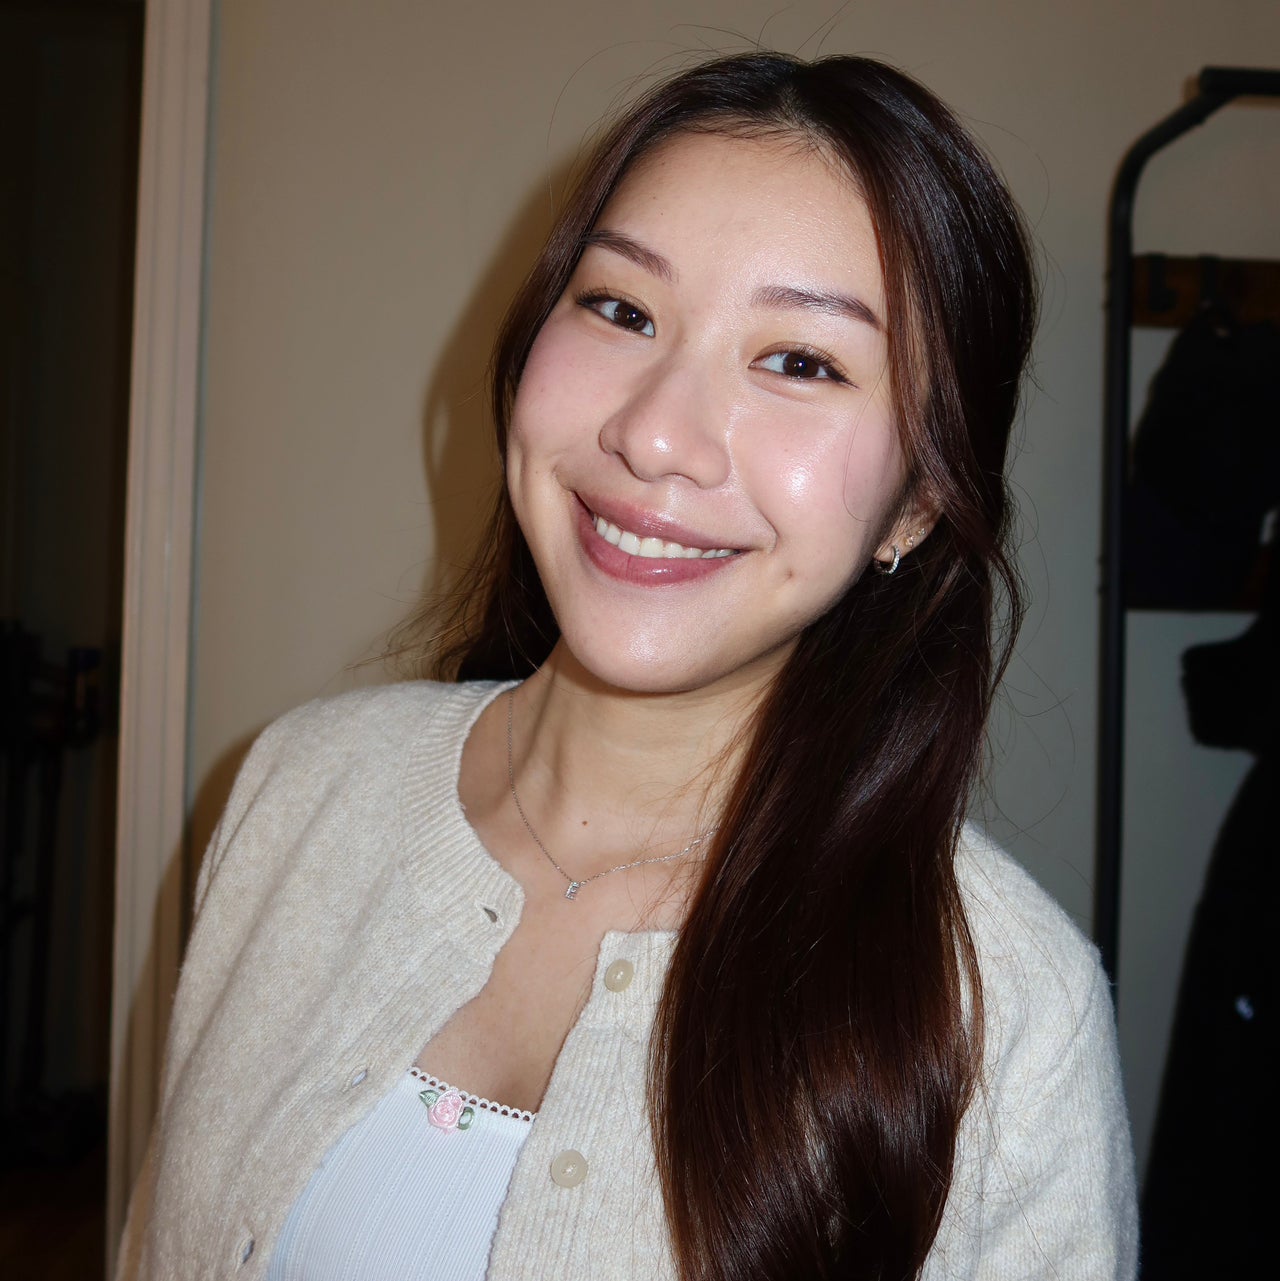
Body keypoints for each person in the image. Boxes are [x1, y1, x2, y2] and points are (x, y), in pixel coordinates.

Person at [117, 51, 1137, 1281]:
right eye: (620, 310)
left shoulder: (1005, 1011)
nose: (652, 435)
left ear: (917, 502)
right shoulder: (296, 790)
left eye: (800, 362)